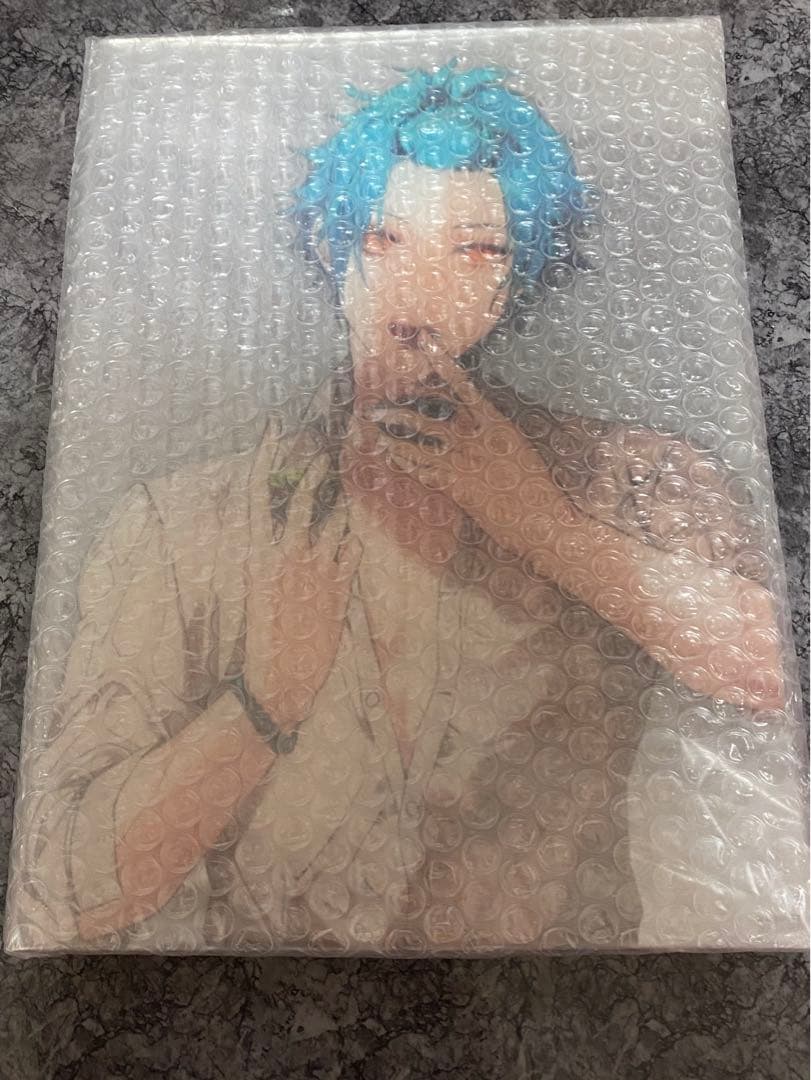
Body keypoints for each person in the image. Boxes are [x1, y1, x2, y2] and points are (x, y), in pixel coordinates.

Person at [8, 64, 785, 954]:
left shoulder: (630, 479)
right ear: (332, 253)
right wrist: (262, 703)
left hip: (562, 1004)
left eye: (475, 251)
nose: (421, 286)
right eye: (385, 239)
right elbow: (62, 891)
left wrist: (544, 528)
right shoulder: (185, 525)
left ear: (508, 286)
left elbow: (771, 673)